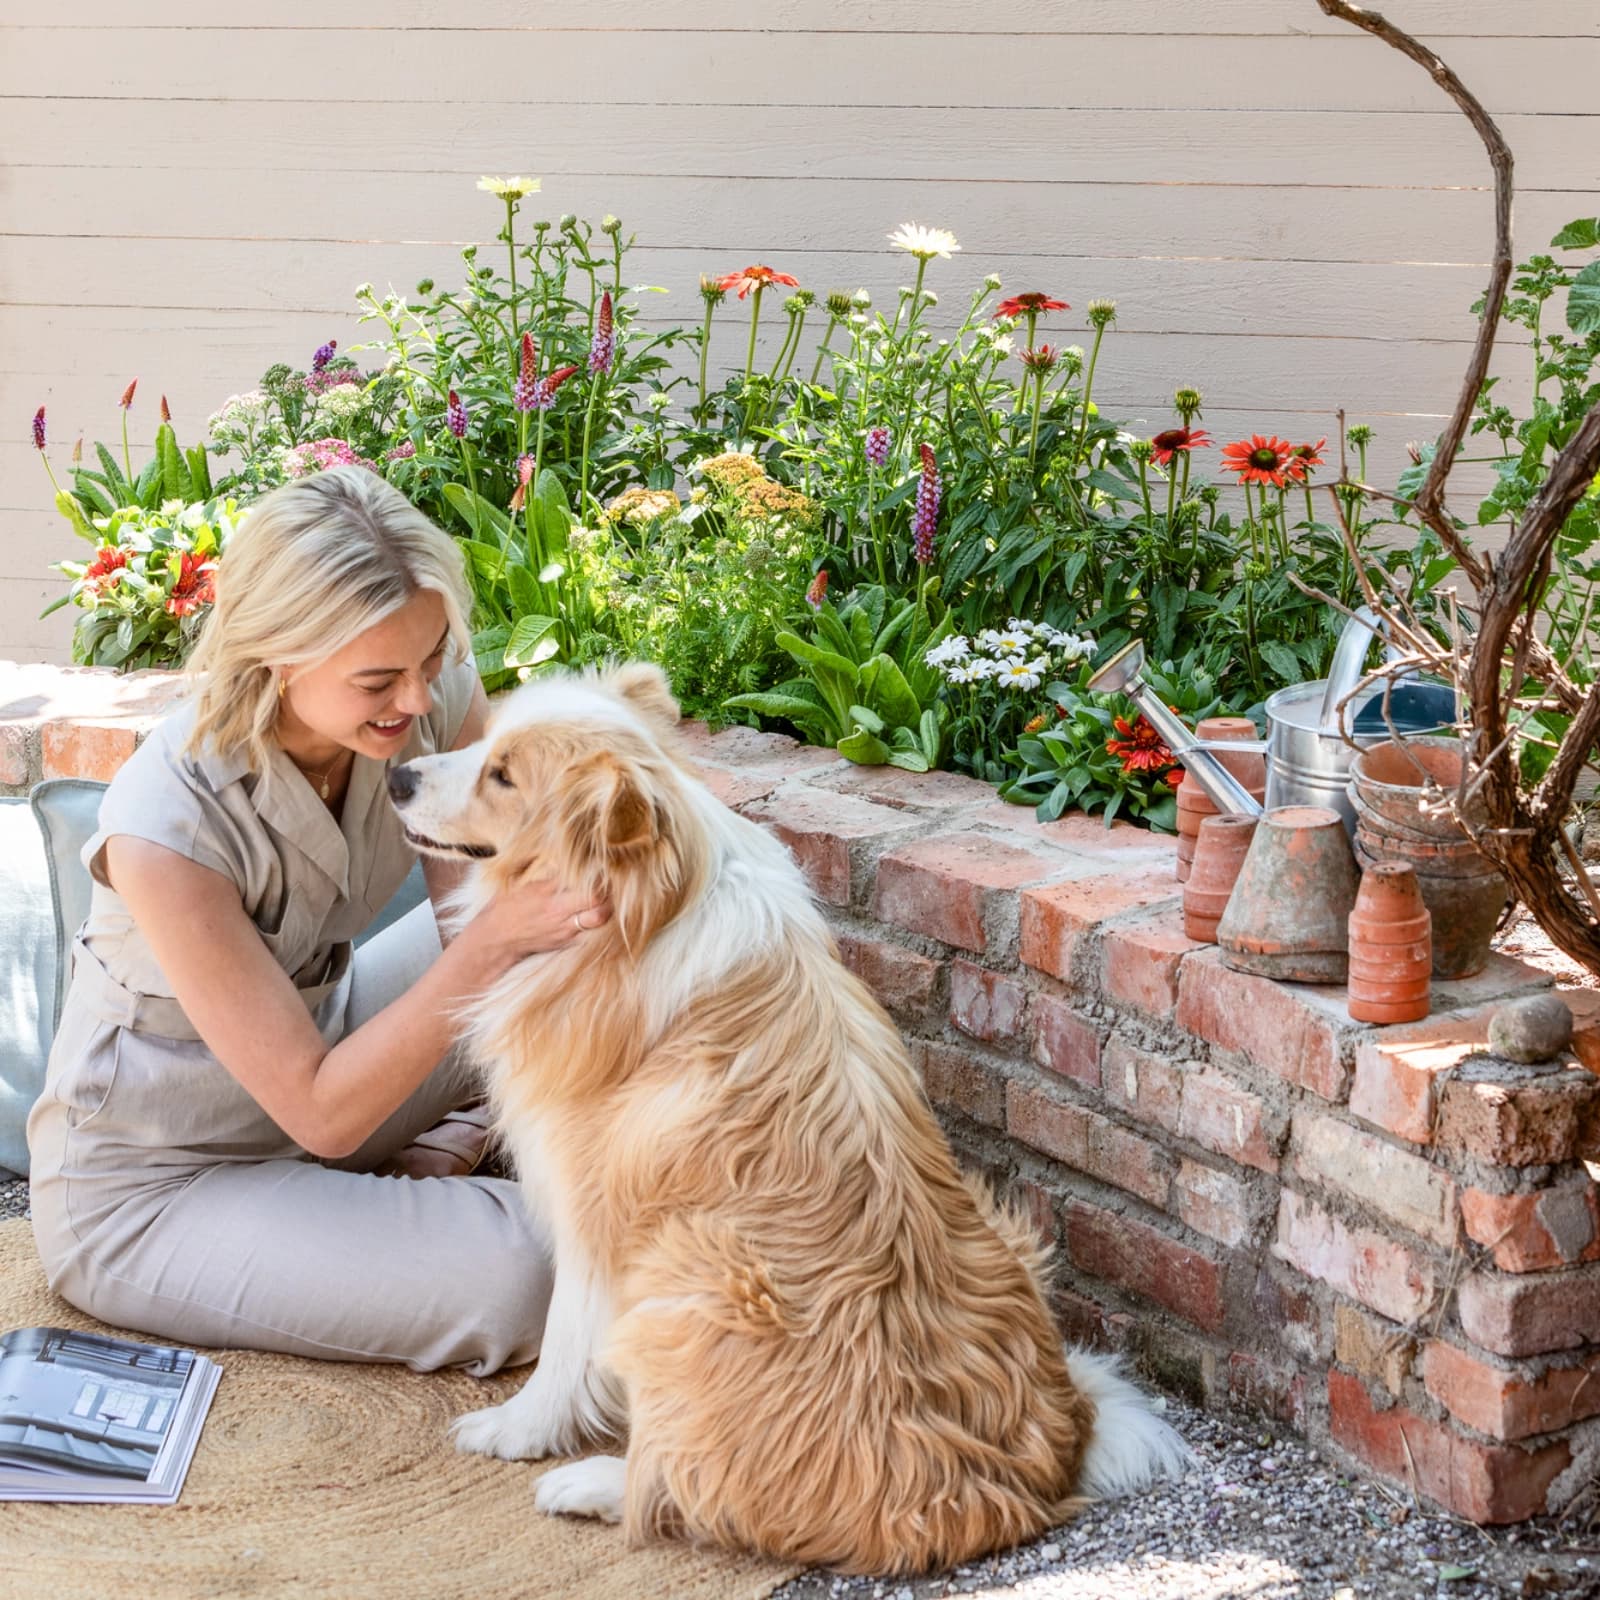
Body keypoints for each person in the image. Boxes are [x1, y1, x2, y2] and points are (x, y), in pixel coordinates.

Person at [27, 465, 607, 1375]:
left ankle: (432, 1151)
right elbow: (323, 1113)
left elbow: (473, 920)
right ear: (276, 654)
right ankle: (399, 1178)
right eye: (380, 678)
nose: (418, 701)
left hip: (327, 1050)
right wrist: (498, 945)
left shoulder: (425, 695)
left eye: (430, 658)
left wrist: (515, 950)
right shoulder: (164, 826)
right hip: (161, 1179)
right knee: (540, 1269)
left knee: (574, 925)